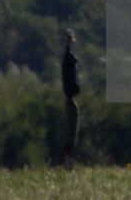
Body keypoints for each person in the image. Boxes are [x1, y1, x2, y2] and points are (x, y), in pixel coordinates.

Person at [61, 29, 81, 170]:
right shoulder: (68, 58)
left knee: (73, 128)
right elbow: (73, 59)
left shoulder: (67, 59)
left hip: (71, 98)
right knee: (71, 129)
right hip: (70, 98)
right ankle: (68, 161)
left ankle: (69, 160)